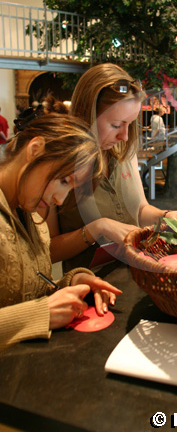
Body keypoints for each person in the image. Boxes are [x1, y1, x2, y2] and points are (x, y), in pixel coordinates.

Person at [45, 63, 177, 272]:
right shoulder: (56, 162)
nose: (124, 136)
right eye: (116, 125)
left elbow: (140, 210)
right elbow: (48, 251)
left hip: (137, 270)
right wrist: (96, 229)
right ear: (86, 114)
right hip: (89, 286)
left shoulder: (124, 147)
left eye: (130, 123)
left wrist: (166, 216)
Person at [0, 112, 122, 353]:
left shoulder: (30, 214)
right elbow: (27, 308)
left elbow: (24, 287)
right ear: (35, 149)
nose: (59, 199)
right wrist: (39, 314)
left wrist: (71, 283)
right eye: (64, 181)